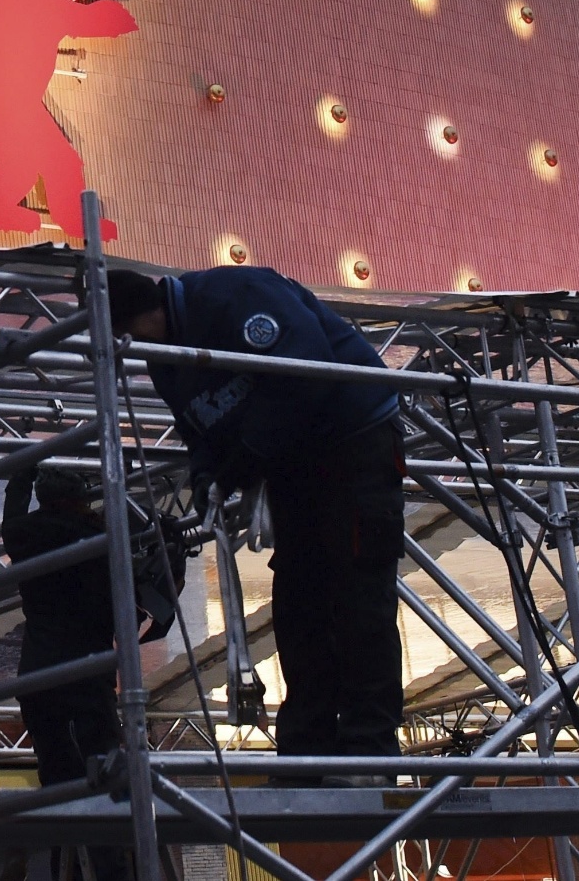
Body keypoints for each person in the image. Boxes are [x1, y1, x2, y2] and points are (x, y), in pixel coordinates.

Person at [106, 265, 404, 774]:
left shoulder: (236, 296)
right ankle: (307, 750)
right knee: (299, 602)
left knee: (358, 593)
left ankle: (369, 749)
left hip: (352, 442)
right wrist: (207, 475)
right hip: (291, 460)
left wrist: (246, 455)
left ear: (134, 319)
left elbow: (306, 371)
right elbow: (197, 427)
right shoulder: (166, 356)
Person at [3, 464, 127, 881]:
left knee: (57, 784)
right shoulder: (97, 539)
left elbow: (11, 514)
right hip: (86, 675)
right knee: (106, 777)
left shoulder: (24, 535)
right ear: (79, 499)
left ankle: (65, 873)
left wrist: (22, 473)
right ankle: (111, 873)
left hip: (39, 676)